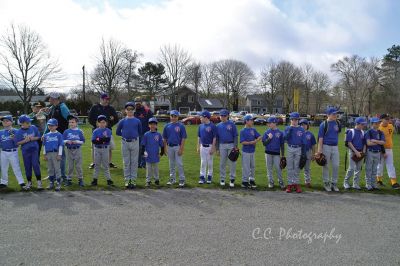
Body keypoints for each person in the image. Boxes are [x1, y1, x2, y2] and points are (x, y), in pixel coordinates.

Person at [88, 93, 119, 169]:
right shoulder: (95, 107)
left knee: (109, 147)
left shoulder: (110, 108)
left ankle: (109, 162)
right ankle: (94, 163)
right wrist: (96, 126)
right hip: (96, 131)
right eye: (105, 99)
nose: (107, 100)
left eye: (108, 99)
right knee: (94, 147)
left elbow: (116, 119)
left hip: (107, 131)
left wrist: (109, 125)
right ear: (101, 99)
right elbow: (90, 118)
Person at [44, 92, 70, 182]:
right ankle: (53, 175)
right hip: (52, 136)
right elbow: (48, 123)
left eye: (50, 98)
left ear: (55, 99)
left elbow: (70, 119)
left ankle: (62, 175)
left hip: (61, 135)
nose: (49, 99)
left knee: (61, 156)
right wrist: (45, 134)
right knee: (53, 155)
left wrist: (73, 131)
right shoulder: (52, 108)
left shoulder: (63, 107)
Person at [116, 102, 142, 189]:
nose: (130, 111)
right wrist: (125, 135)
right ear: (125, 110)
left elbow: (140, 131)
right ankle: (127, 179)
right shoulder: (122, 121)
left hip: (135, 142)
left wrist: (133, 135)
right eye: (128, 109)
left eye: (131, 109)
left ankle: (133, 179)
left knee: (134, 162)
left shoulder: (137, 121)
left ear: (134, 110)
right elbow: (117, 132)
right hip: (125, 142)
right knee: (126, 162)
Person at [316, 107, 341, 192]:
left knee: (336, 165)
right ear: (328, 115)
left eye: (336, 114)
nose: (335, 115)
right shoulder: (324, 124)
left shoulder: (338, 123)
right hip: (326, 146)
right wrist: (319, 150)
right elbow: (320, 138)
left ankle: (334, 183)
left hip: (335, 147)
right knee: (325, 165)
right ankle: (326, 183)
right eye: (333, 114)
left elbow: (337, 133)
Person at [15, 115, 42, 190]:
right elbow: (17, 143)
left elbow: (38, 136)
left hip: (34, 150)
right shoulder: (19, 132)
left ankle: (39, 181)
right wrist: (25, 141)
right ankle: (29, 182)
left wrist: (33, 138)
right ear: (22, 123)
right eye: (28, 122)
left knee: (35, 164)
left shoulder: (33, 127)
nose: (30, 122)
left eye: (29, 121)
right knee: (27, 166)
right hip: (26, 151)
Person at [0, 116, 27, 190]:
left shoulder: (16, 131)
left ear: (11, 122)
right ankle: (3, 182)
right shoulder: (1, 132)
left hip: (13, 152)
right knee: (3, 168)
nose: (5, 122)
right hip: (3, 152)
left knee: (16, 167)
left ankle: (21, 182)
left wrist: (14, 138)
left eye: (7, 121)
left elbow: (19, 142)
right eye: (3, 121)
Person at [163, 110, 187, 187]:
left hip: (177, 146)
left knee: (179, 164)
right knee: (171, 164)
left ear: (178, 117)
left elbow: (183, 138)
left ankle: (182, 179)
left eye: (175, 116)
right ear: (170, 116)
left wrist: (181, 149)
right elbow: (165, 138)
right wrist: (164, 148)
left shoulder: (181, 126)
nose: (173, 118)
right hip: (170, 146)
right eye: (172, 116)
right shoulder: (167, 126)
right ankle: (172, 178)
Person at [284, 112, 306, 193]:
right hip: (290, 147)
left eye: (296, 119)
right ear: (291, 120)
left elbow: (304, 142)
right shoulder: (287, 128)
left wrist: (304, 153)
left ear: (298, 120)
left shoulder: (301, 129)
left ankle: (296, 183)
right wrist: (289, 130)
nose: (294, 121)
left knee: (297, 166)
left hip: (298, 148)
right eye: (293, 119)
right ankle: (289, 184)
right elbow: (285, 138)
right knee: (290, 167)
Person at [376, 114, 400, 189]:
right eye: (386, 119)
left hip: (389, 149)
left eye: (388, 119)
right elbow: (379, 141)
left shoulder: (391, 126)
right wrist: (383, 152)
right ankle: (378, 180)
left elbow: (390, 137)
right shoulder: (379, 128)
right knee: (380, 165)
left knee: (390, 165)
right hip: (381, 149)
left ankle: (394, 182)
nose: (388, 120)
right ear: (381, 119)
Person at [216, 109, 238, 187]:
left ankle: (232, 179)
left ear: (227, 116)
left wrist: (235, 146)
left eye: (224, 115)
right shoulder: (218, 126)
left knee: (232, 163)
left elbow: (235, 135)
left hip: (231, 144)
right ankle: (222, 178)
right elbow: (217, 138)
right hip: (222, 145)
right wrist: (217, 149)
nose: (223, 117)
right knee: (222, 163)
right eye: (221, 115)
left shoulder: (232, 124)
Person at [343, 117, 367, 190]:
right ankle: (346, 182)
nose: (363, 126)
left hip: (360, 152)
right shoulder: (351, 131)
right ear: (357, 124)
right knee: (351, 168)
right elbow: (349, 143)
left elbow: (364, 143)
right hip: (353, 152)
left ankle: (355, 184)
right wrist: (356, 152)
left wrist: (363, 152)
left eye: (363, 124)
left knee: (358, 169)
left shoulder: (363, 132)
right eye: (362, 124)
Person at [262, 116, 285, 190]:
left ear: (274, 123)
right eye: (268, 123)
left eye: (270, 123)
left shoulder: (280, 133)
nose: (268, 125)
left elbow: (282, 144)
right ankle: (270, 182)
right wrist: (269, 138)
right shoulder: (267, 132)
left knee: (278, 168)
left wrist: (283, 155)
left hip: (276, 154)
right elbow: (264, 144)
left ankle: (281, 182)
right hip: (268, 153)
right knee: (269, 168)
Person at [91, 115, 114, 186]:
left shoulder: (108, 131)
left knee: (106, 165)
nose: (102, 124)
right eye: (100, 122)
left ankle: (108, 180)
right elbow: (94, 141)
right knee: (96, 165)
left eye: (103, 122)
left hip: (105, 149)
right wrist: (102, 140)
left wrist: (99, 139)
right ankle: (95, 179)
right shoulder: (95, 131)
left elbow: (107, 140)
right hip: (97, 149)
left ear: (106, 123)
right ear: (97, 123)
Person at [240, 115, 261, 189]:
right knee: (246, 167)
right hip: (246, 151)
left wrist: (256, 141)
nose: (252, 121)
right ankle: (244, 181)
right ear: (246, 121)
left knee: (252, 166)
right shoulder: (243, 131)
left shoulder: (253, 129)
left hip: (252, 151)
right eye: (251, 120)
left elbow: (259, 136)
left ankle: (251, 180)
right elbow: (242, 142)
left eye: (252, 120)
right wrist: (251, 142)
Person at [63, 115, 85, 187]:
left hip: (77, 149)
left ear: (76, 123)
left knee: (78, 165)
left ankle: (80, 179)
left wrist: (77, 142)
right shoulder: (66, 131)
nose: (71, 124)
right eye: (70, 122)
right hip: (69, 149)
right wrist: (67, 141)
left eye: (73, 122)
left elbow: (82, 141)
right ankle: (69, 179)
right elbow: (62, 140)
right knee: (70, 166)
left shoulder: (79, 131)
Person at [141, 117, 164, 187]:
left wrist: (161, 153)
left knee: (156, 168)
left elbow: (162, 145)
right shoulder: (146, 134)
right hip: (148, 155)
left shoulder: (158, 135)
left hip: (156, 155)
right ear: (149, 125)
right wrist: (143, 153)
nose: (152, 126)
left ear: (156, 125)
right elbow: (143, 145)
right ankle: (148, 180)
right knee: (148, 168)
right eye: (151, 124)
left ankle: (156, 180)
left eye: (154, 124)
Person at [42, 118, 64, 191]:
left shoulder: (59, 135)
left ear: (56, 126)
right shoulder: (46, 135)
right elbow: (44, 145)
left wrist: (59, 155)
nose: (51, 127)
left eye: (52, 125)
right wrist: (44, 154)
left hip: (56, 153)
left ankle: (58, 183)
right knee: (50, 168)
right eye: (49, 125)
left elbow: (61, 145)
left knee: (57, 168)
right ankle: (51, 182)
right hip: (48, 153)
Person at [197, 110, 217, 185]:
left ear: (206, 117)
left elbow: (214, 138)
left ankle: (209, 176)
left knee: (210, 162)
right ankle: (202, 177)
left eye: (201, 117)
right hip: (202, 146)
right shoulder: (200, 126)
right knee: (203, 162)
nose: (200, 118)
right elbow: (199, 137)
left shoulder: (212, 126)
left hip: (210, 146)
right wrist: (198, 146)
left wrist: (213, 148)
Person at [365, 117, 385, 191]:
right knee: (369, 168)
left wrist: (374, 140)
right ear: (372, 123)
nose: (377, 124)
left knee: (375, 169)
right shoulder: (369, 132)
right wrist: (378, 142)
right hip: (370, 151)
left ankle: (373, 184)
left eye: (378, 123)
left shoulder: (380, 132)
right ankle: (368, 184)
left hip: (378, 152)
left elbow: (383, 142)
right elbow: (368, 143)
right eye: (375, 123)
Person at [134, 97, 154, 168]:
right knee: (137, 149)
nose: (137, 104)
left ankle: (144, 163)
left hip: (145, 133)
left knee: (145, 149)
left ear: (141, 102)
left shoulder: (147, 110)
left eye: (139, 102)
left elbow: (152, 121)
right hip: (136, 134)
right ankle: (138, 163)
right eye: (136, 102)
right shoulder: (133, 111)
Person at [299, 119, 316, 188]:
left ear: (307, 126)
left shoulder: (310, 134)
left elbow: (313, 145)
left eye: (304, 124)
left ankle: (307, 181)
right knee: (297, 167)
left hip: (308, 152)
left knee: (307, 167)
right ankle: (295, 181)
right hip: (299, 151)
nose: (303, 126)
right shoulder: (298, 133)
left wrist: (313, 154)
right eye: (301, 124)